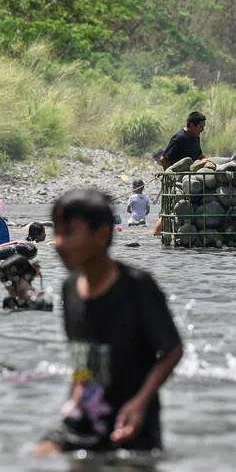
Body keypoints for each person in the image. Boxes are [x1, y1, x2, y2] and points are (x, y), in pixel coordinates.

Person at [36, 189, 182, 455]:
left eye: (69, 232)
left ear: (102, 234)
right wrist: (73, 404)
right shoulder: (69, 289)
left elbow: (172, 349)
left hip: (132, 428)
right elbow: (82, 359)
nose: (58, 242)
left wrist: (140, 401)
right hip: (84, 419)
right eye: (56, 231)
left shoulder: (137, 286)